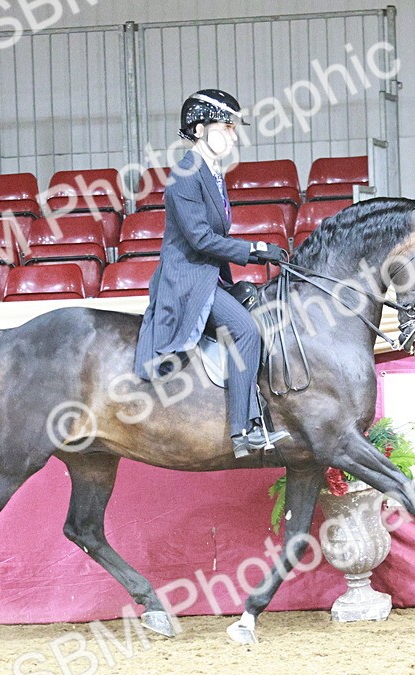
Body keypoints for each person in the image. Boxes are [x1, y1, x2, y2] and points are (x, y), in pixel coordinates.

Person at [134, 89, 289, 458]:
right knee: (246, 330)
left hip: (211, 275)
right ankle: (243, 430)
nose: (234, 135)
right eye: (228, 126)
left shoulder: (213, 173)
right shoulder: (186, 174)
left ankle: (255, 416)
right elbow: (201, 238)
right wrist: (254, 251)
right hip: (187, 279)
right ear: (201, 128)